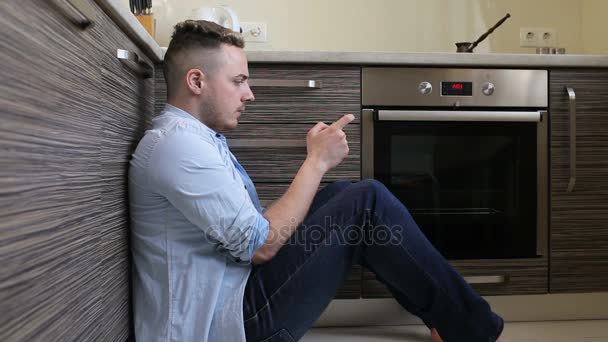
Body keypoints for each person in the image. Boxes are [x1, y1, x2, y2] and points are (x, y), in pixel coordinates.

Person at [129, 20, 511, 342]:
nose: (250, 94)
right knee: (366, 202)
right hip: (231, 325)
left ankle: (446, 320)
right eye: (239, 80)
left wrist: (319, 174)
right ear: (196, 81)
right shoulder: (178, 147)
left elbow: (247, 230)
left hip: (235, 298)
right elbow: (260, 246)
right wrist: (315, 162)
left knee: (344, 195)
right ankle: (471, 330)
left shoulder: (196, 139)